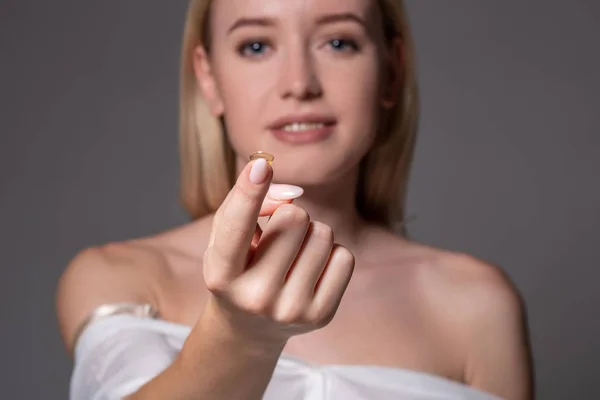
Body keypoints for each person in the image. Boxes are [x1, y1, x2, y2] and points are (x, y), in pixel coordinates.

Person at [56, 0, 534, 399]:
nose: (300, 83)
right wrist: (240, 335)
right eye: (256, 46)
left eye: (339, 42)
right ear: (209, 79)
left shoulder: (477, 304)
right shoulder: (121, 277)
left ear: (391, 71)